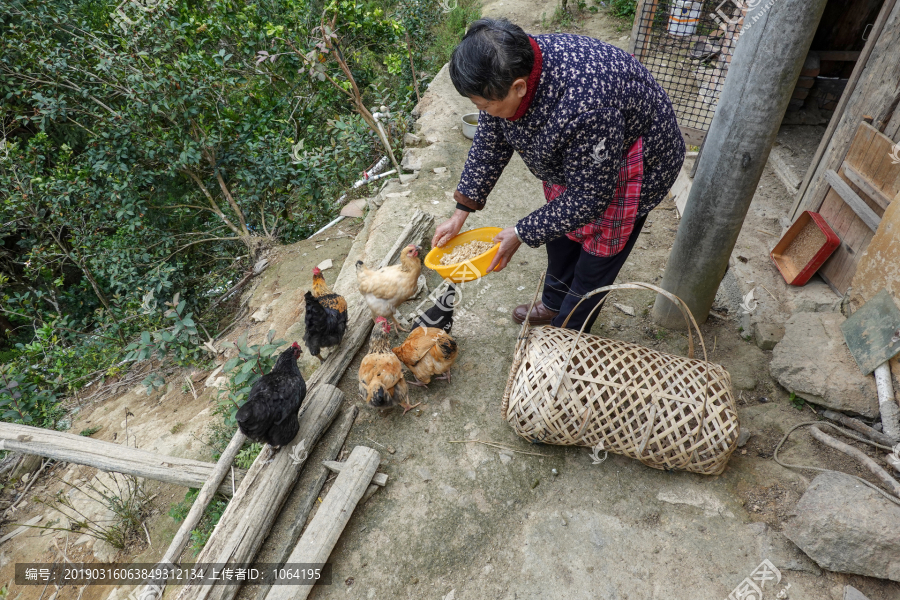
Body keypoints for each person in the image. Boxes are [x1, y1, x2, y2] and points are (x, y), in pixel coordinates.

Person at [432, 18, 685, 331]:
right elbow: (490, 139)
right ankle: (553, 303)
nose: (482, 111)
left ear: (519, 88)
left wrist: (521, 233)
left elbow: (590, 195)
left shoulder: (587, 103)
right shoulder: (509, 66)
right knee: (561, 232)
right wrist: (461, 211)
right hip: (582, 155)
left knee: (596, 259)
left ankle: (569, 331)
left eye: (484, 104)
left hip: (633, 158)